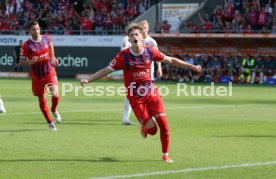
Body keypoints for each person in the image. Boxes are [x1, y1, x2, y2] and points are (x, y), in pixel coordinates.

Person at [80, 24, 201, 162]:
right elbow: (106, 70)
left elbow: (171, 60)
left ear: (142, 37)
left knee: (164, 124)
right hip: (136, 98)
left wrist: (192, 66)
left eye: (137, 34)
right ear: (129, 40)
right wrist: (88, 79)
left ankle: (165, 155)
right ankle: (145, 127)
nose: (134, 36)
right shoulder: (123, 56)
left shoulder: (150, 52)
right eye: (131, 35)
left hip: (152, 93)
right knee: (153, 130)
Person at [19, 20, 62, 131]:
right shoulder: (26, 45)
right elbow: (21, 61)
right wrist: (30, 62)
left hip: (49, 71)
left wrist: (53, 57)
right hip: (37, 76)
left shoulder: (46, 38)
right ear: (30, 31)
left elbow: (50, 45)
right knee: (42, 100)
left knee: (55, 95)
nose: (36, 31)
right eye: (34, 29)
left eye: (37, 29)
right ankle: (50, 122)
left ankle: (53, 110)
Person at [120, 20, 163, 125]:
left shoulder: (151, 42)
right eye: (142, 27)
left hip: (148, 74)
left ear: (148, 29)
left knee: (149, 96)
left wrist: (159, 68)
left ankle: (146, 117)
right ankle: (126, 118)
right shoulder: (130, 39)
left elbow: (158, 55)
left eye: (145, 27)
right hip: (133, 74)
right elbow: (124, 53)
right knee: (131, 94)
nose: (143, 29)